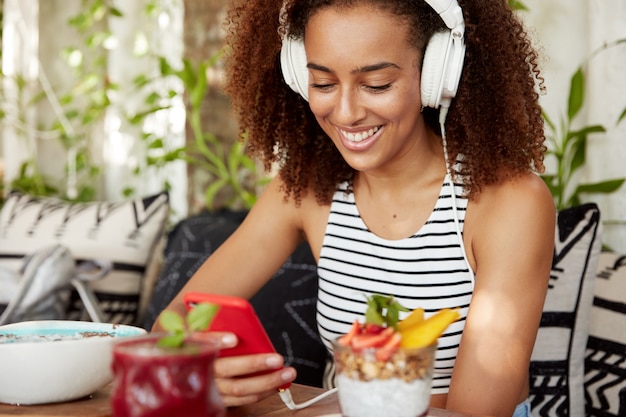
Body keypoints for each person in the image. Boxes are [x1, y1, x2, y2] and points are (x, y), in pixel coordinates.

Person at [154, 0, 555, 416]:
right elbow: (173, 321)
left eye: (377, 84)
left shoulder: (509, 203)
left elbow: (473, 415)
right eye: (323, 84)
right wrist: (191, 372)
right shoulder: (305, 189)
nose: (345, 113)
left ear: (438, 74)